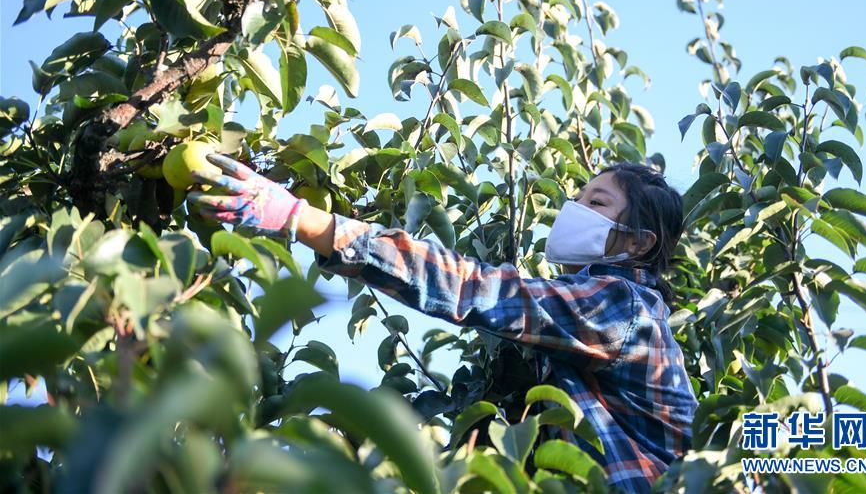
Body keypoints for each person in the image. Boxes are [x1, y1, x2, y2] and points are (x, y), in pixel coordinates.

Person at [188, 155, 698, 493]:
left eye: (598, 203)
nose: (575, 209)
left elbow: (482, 290)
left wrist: (303, 219)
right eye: (579, 197)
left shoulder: (621, 304)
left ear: (637, 242)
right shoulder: (595, 309)